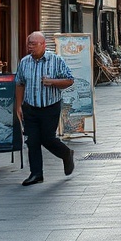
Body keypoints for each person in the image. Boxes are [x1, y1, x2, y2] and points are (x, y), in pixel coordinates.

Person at [15, 31, 75, 185]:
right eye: (29, 43)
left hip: (50, 106)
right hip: (30, 107)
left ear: (43, 45)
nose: (30, 47)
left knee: (47, 139)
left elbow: (69, 80)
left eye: (33, 44)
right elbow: (20, 83)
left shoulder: (56, 60)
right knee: (32, 141)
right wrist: (19, 105)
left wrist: (52, 82)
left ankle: (66, 153)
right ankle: (36, 174)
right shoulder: (24, 62)